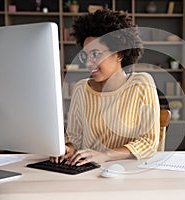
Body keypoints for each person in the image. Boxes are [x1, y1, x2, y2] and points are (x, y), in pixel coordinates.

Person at [51, 9, 160, 166]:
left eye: (95, 54)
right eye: (85, 56)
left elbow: (149, 143)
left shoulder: (141, 84)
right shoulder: (81, 89)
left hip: (127, 172)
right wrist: (69, 148)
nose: (88, 63)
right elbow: (74, 137)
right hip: (86, 170)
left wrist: (105, 155)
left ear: (119, 54)